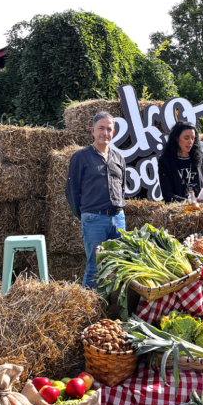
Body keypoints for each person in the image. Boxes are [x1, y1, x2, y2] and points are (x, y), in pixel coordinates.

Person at [65, 111, 126, 289]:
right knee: (94, 267)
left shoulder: (119, 158)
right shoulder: (81, 157)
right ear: (92, 130)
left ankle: (112, 310)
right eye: (101, 128)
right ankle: (88, 311)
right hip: (94, 219)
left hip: (118, 218)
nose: (105, 133)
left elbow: (121, 188)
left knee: (118, 266)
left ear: (113, 133)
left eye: (109, 129)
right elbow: (71, 191)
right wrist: (85, 214)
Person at [158, 121, 203, 203]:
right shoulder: (165, 161)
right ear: (176, 138)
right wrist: (188, 201)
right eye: (186, 138)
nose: (190, 142)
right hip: (178, 210)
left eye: (193, 138)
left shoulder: (199, 157)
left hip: (200, 209)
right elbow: (167, 194)